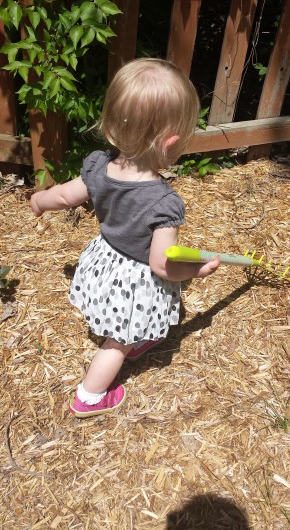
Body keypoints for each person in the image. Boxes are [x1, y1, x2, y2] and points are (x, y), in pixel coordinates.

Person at [31, 58, 220, 419]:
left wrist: (39, 200)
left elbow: (64, 196)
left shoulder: (99, 165)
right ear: (172, 142)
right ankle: (89, 396)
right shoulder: (164, 202)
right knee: (116, 342)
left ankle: (130, 337)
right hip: (133, 281)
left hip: (104, 260)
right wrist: (196, 271)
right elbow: (162, 264)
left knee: (122, 327)